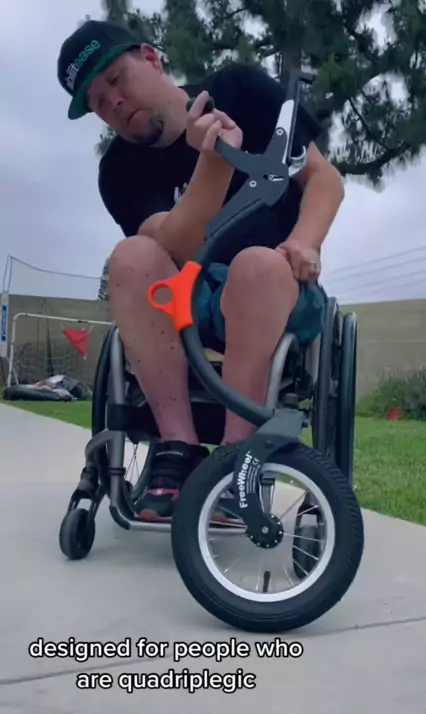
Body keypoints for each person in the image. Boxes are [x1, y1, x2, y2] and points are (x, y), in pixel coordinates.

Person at [57, 20, 345, 522]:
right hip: (186, 301)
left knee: (256, 266)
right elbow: (179, 246)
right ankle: (178, 450)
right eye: (99, 103)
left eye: (116, 80)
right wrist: (213, 163)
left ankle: (236, 461)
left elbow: (324, 179)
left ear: (151, 58)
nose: (114, 103)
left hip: (274, 288)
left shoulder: (241, 90)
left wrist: (304, 241)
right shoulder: (119, 170)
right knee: (130, 256)